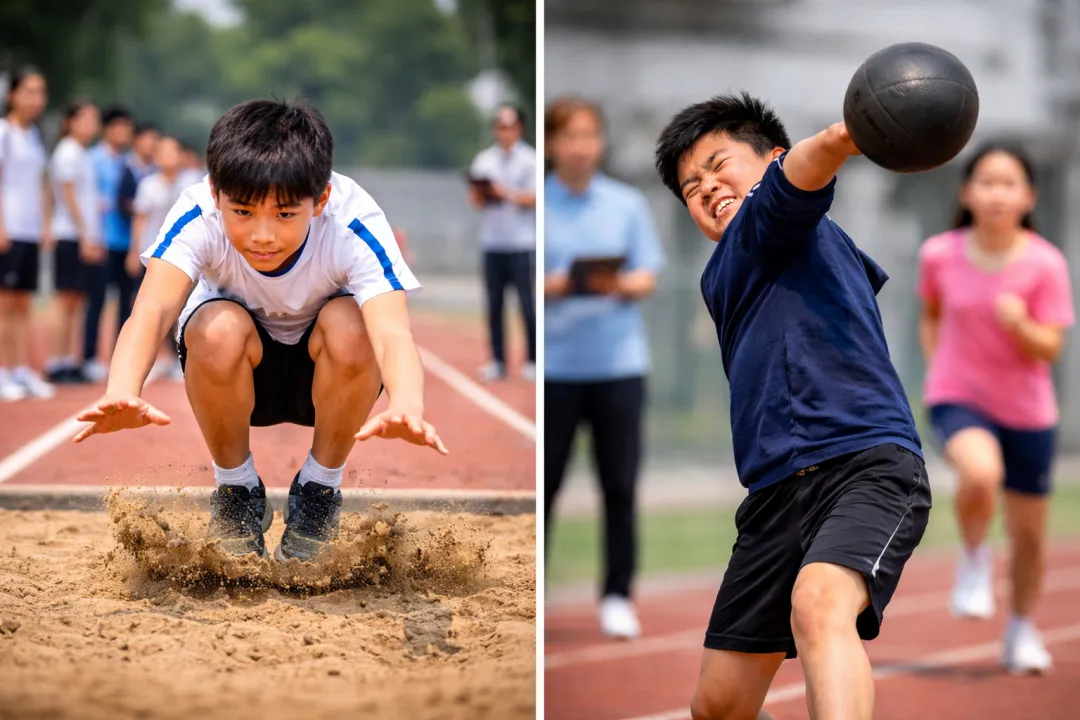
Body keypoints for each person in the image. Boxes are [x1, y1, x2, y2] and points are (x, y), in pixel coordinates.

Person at [653, 92, 931, 720]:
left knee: (820, 603)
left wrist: (845, 135)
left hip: (862, 464)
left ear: (771, 160)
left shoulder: (779, 214)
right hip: (774, 493)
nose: (706, 187)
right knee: (719, 706)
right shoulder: (728, 263)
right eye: (690, 185)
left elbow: (801, 173)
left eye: (720, 164)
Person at [73, 99, 446, 562]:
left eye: (285, 215)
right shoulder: (198, 214)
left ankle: (318, 491)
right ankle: (236, 492)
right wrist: (122, 389)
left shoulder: (353, 222)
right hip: (237, 373)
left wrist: (408, 404)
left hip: (328, 379)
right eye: (244, 212)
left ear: (321, 199)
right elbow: (150, 309)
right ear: (216, 195)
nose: (263, 235)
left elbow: (392, 332)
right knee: (214, 327)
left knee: (354, 325)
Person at [917, 143, 1072, 675]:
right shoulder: (939, 253)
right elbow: (931, 313)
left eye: (1009, 184)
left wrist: (1020, 324)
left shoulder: (1046, 263)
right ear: (966, 192)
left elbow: (1050, 348)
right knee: (981, 474)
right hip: (958, 399)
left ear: (1028, 196)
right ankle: (975, 558)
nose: (997, 193)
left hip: (1028, 410)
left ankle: (1022, 629)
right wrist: (939, 368)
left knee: (1029, 537)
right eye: (986, 181)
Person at [543, 97, 665, 640]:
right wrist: (564, 284)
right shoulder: (536, 206)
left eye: (590, 134)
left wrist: (617, 283)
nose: (580, 146)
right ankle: (536, 594)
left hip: (619, 367)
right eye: (569, 135)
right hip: (556, 369)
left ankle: (617, 595)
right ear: (551, 145)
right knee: (546, 487)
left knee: (620, 487)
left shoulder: (626, 203)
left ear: (601, 142)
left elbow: (647, 276)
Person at [467, 104, 537, 382]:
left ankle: (532, 360)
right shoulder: (484, 160)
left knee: (526, 305)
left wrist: (504, 193)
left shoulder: (530, 160)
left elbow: (533, 198)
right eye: (498, 125)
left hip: (521, 242)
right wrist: (483, 194)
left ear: (519, 128)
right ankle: (498, 360)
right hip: (492, 242)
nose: (503, 130)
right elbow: (474, 200)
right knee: (494, 305)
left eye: (508, 125)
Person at [0, 66, 54, 400]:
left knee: (23, 303)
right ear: (12, 95)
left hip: (30, 232)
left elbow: (40, 185)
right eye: (29, 92)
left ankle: (20, 370)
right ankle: (3, 372)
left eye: (40, 92)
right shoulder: (3, 132)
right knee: (4, 303)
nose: (36, 99)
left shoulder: (34, 136)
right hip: (9, 229)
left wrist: (44, 225)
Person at [46, 100, 103, 384]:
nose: (92, 126)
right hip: (69, 235)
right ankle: (55, 362)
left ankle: (68, 359)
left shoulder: (82, 153)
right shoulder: (67, 152)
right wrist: (84, 235)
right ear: (69, 121)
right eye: (86, 119)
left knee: (75, 300)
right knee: (63, 300)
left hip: (81, 236)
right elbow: (68, 198)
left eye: (94, 120)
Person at [126, 134, 188, 381]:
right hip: (152, 253)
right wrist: (133, 252)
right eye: (162, 152)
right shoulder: (148, 185)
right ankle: (158, 357)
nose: (168, 157)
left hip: (182, 255)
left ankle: (179, 356)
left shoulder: (190, 183)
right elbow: (139, 220)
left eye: (172, 151)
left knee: (181, 306)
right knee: (150, 305)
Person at [82, 105, 135, 383]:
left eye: (127, 128)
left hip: (125, 242)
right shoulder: (92, 159)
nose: (123, 133)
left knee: (126, 304)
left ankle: (120, 357)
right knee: (97, 300)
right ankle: (89, 358)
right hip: (102, 240)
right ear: (106, 129)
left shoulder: (128, 161)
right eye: (118, 127)